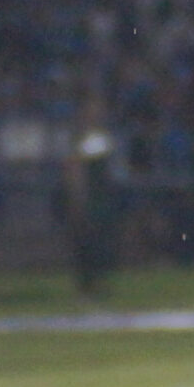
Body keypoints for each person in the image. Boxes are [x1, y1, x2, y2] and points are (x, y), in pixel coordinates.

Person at [66, 94, 122, 295]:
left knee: (101, 240)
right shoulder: (82, 138)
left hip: (101, 195)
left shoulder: (101, 137)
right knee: (87, 241)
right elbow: (76, 168)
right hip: (90, 197)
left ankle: (98, 282)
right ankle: (87, 285)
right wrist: (78, 195)